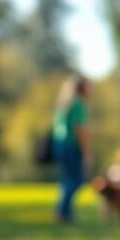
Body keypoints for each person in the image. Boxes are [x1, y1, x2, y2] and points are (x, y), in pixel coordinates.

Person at [52, 74, 92, 223]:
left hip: (60, 145)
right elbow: (79, 129)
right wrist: (87, 153)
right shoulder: (79, 104)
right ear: (82, 88)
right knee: (76, 180)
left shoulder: (64, 104)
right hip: (71, 146)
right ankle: (63, 211)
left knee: (66, 180)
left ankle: (65, 212)